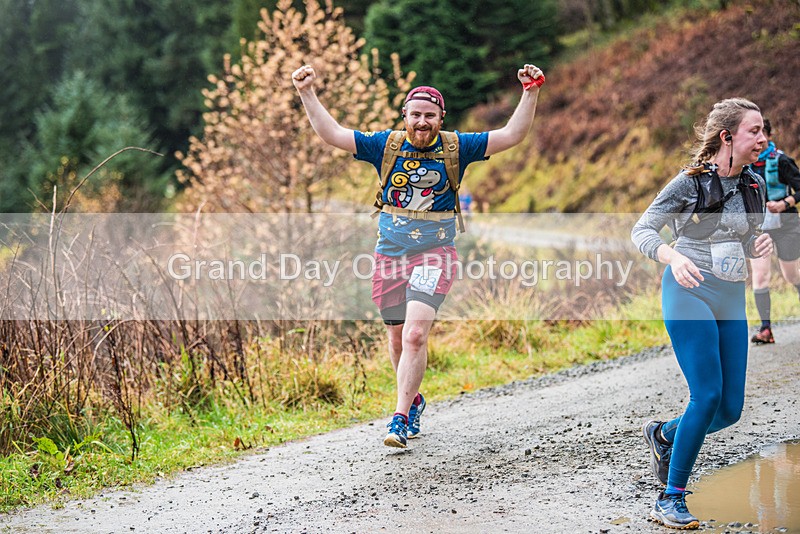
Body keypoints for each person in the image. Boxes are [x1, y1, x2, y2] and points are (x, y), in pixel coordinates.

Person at [292, 63, 544, 449]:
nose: (422, 122)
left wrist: (530, 92)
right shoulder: (385, 145)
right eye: (416, 115)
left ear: (441, 118)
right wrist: (307, 92)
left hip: (435, 255)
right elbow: (332, 134)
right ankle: (414, 400)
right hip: (389, 256)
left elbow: (512, 134)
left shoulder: (458, 145)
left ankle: (399, 417)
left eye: (429, 116)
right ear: (405, 117)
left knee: (414, 335)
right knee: (396, 341)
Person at [631, 97, 773, 529]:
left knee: (729, 409)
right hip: (688, 290)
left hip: (731, 296)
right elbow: (641, 230)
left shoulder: (755, 185)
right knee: (706, 395)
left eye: (764, 130)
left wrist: (757, 246)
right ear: (728, 137)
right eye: (755, 131)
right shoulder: (689, 183)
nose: (764, 139)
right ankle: (669, 498)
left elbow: (744, 238)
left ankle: (666, 434)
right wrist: (672, 257)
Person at [748, 118, 800, 344]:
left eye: (760, 134)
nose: (757, 140)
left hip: (786, 225)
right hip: (759, 228)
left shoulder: (782, 161)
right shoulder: (742, 166)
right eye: (752, 134)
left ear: (767, 136)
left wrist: (785, 203)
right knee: (760, 277)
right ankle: (766, 329)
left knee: (791, 275)